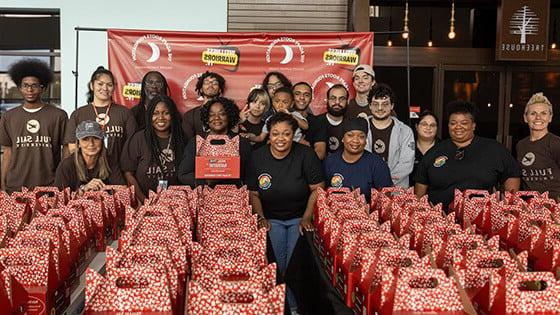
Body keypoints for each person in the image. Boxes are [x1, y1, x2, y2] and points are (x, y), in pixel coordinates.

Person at [247, 112, 325, 314]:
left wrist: (307, 217)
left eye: (286, 134)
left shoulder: (306, 155)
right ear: (269, 135)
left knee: (293, 267)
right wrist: (261, 218)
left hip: (299, 217)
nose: (280, 138)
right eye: (275, 134)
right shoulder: (257, 157)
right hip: (271, 219)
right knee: (278, 266)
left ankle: (294, 307)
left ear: (294, 135)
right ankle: (286, 308)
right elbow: (253, 193)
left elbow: (318, 188)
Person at [415, 101, 521, 211]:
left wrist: (509, 205)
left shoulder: (493, 149)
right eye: (453, 123)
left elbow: (512, 173)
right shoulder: (434, 151)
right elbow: (421, 183)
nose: (458, 127)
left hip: (482, 220)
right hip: (439, 220)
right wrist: (421, 211)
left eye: (464, 123)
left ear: (473, 125)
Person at [0, 59, 68, 193]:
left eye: (34, 85)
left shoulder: (58, 116)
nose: (29, 90)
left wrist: (62, 181)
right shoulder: (9, 117)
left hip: (49, 187)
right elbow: (7, 152)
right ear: (19, 88)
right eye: (25, 85)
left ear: (43, 88)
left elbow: (66, 150)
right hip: (16, 187)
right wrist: (3, 182)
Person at [65, 66, 137, 181]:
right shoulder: (78, 114)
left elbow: (133, 147)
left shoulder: (125, 113)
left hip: (118, 175)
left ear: (114, 88)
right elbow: (73, 148)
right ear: (92, 86)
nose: (105, 88)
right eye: (100, 84)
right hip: (86, 177)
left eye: (109, 84)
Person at [120, 95, 184, 203]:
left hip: (175, 204)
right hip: (143, 204)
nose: (161, 117)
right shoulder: (138, 139)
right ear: (149, 115)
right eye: (155, 113)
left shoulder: (182, 139)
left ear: (172, 115)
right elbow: (128, 173)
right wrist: (144, 201)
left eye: (166, 113)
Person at [177, 97, 251, 187]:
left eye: (222, 114)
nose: (216, 118)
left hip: (233, 197)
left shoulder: (241, 143)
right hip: (203, 197)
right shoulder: (197, 143)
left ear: (229, 116)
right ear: (207, 119)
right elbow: (183, 175)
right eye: (212, 115)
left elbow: (249, 177)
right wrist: (206, 180)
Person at [324, 118, 392, 202]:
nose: (355, 140)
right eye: (350, 135)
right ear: (342, 138)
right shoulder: (330, 161)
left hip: (368, 213)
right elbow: (324, 194)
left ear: (366, 140)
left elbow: (386, 198)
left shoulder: (378, 164)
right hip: (334, 213)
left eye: (361, 136)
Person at [364, 83, 415, 188]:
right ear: (369, 105)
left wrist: (385, 182)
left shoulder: (405, 131)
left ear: (392, 105)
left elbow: (406, 163)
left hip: (396, 189)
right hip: (367, 186)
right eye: (375, 104)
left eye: (385, 104)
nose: (380, 108)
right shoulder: (361, 128)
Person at [55, 121, 124, 192]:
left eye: (96, 138)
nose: (91, 143)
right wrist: (83, 189)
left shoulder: (110, 161)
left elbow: (123, 190)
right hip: (76, 203)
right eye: (85, 139)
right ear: (78, 143)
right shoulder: (66, 165)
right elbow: (59, 198)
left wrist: (105, 190)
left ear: (102, 141)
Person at [516, 92, 560, 200]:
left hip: (554, 206)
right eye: (533, 113)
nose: (538, 117)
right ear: (525, 118)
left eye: (544, 113)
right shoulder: (521, 145)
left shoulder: (555, 143)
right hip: (529, 205)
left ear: (550, 117)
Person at [182, 71, 225, 140]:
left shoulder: (227, 114)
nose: (210, 85)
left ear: (220, 90)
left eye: (215, 83)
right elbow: (187, 143)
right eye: (206, 83)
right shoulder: (189, 116)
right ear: (201, 89)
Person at [293, 82, 327, 160]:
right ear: (291, 97)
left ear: (311, 98)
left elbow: (320, 153)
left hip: (308, 168)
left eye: (306, 95)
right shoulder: (281, 119)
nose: (302, 97)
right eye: (297, 94)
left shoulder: (318, 122)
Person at [316, 84, 349, 154]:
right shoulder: (315, 122)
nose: (337, 102)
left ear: (347, 101)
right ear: (327, 100)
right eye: (333, 98)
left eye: (342, 99)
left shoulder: (352, 124)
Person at [410, 110, 439, 187]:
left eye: (432, 125)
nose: (428, 128)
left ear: (437, 129)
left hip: (436, 195)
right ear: (416, 126)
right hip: (408, 193)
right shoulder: (407, 146)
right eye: (424, 124)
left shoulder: (443, 148)